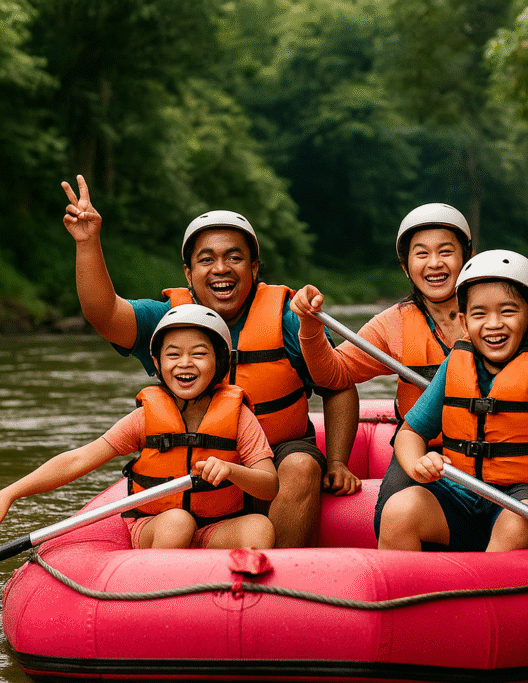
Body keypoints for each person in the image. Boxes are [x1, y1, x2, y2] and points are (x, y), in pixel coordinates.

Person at [61, 175, 360, 548]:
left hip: (278, 452)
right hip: (201, 458)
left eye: (234, 257)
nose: (221, 268)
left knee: (301, 465)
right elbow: (104, 315)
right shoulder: (169, 318)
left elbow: (338, 384)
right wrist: (87, 243)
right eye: (207, 259)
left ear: (254, 268)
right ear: (189, 274)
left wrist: (337, 462)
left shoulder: (287, 318)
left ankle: (282, 574)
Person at [290, 203, 528, 537]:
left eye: (446, 252)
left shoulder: (520, 315)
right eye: (421, 254)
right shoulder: (393, 324)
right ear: (406, 268)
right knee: (394, 511)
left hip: (512, 453)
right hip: (425, 449)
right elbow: (332, 375)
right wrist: (310, 327)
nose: (434, 264)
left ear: (468, 256)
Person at [0, 305, 279, 550]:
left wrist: (232, 470)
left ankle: (237, 594)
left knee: (260, 527)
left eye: (199, 354)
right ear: (157, 363)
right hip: (157, 525)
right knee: (178, 522)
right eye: (173, 354)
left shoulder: (239, 416)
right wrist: (8, 495)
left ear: (220, 362)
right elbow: (77, 460)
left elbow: (269, 485)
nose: (185, 363)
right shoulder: (143, 419)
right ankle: (159, 590)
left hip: (216, 527)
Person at [377, 250, 528, 552]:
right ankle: (408, 582)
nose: (493, 324)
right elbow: (410, 432)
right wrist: (417, 463)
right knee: (399, 511)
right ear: (464, 322)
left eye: (508, 311)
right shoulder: (456, 365)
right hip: (463, 494)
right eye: (479, 314)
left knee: (515, 523)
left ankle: (486, 578)